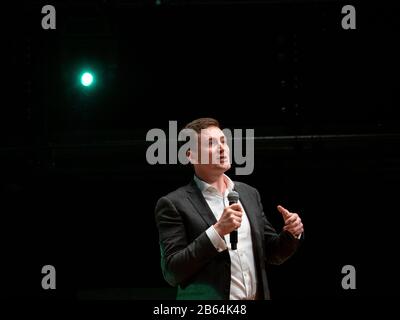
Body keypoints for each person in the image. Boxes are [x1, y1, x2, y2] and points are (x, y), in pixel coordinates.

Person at [154, 118, 303, 300]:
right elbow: (172, 272)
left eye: (223, 141)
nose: (222, 148)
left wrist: (290, 234)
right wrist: (217, 231)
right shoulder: (173, 204)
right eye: (211, 143)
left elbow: (272, 252)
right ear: (190, 155)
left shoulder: (248, 193)